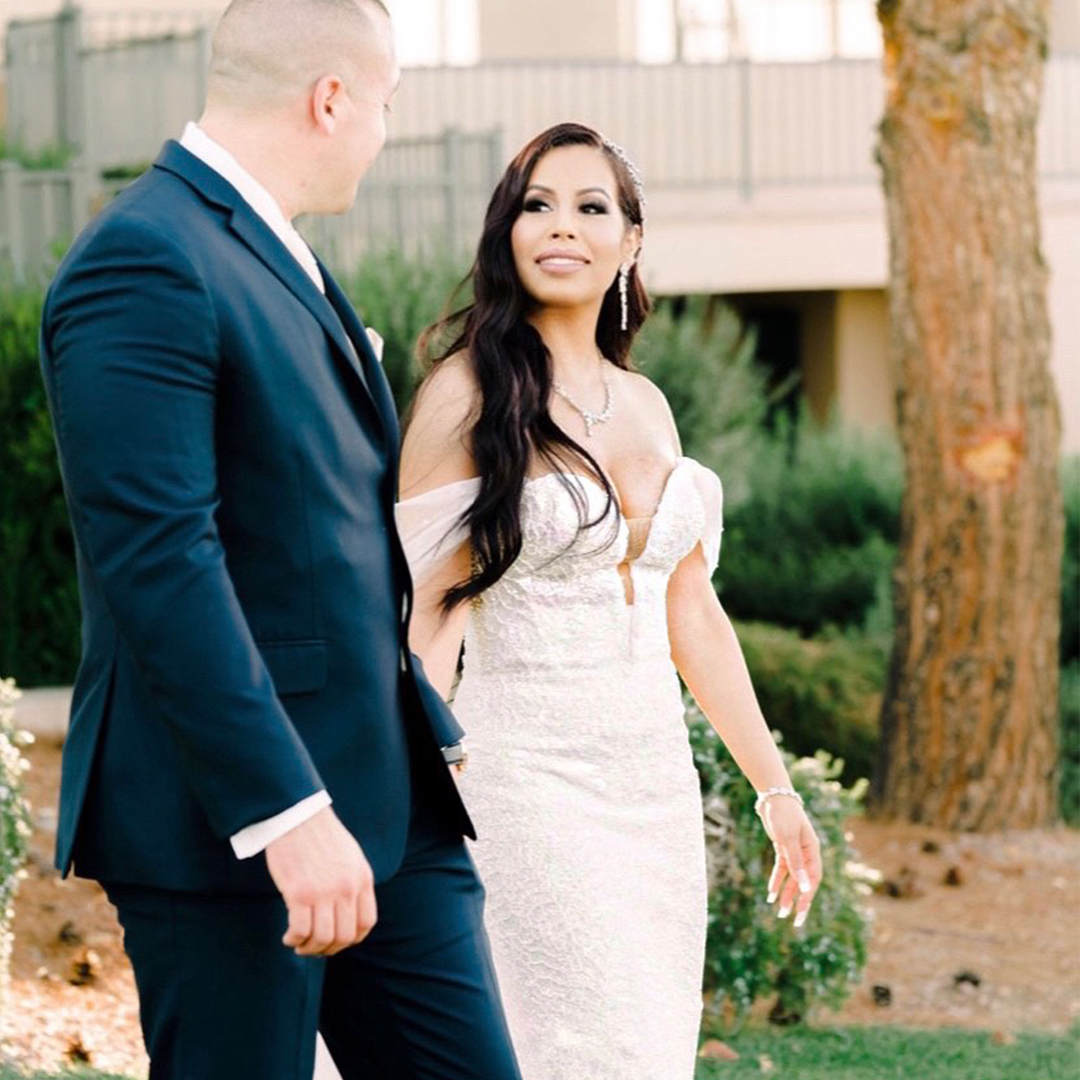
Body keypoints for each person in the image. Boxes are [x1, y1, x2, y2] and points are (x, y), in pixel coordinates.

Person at [38, 2, 521, 1078]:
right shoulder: (144, 261)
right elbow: (160, 562)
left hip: (392, 812)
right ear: (331, 99)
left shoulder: (270, 250)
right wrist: (282, 812)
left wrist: (409, 710)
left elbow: (314, 536)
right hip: (234, 833)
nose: (385, 133)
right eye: (386, 105)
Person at [395, 122, 824, 1080]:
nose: (562, 226)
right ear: (507, 232)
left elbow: (693, 616)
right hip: (521, 778)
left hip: (652, 789)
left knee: (644, 1040)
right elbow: (425, 611)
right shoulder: (466, 396)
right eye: (537, 205)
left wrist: (774, 786)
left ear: (631, 242)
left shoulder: (647, 405)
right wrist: (417, 774)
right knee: (570, 1038)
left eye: (592, 207)